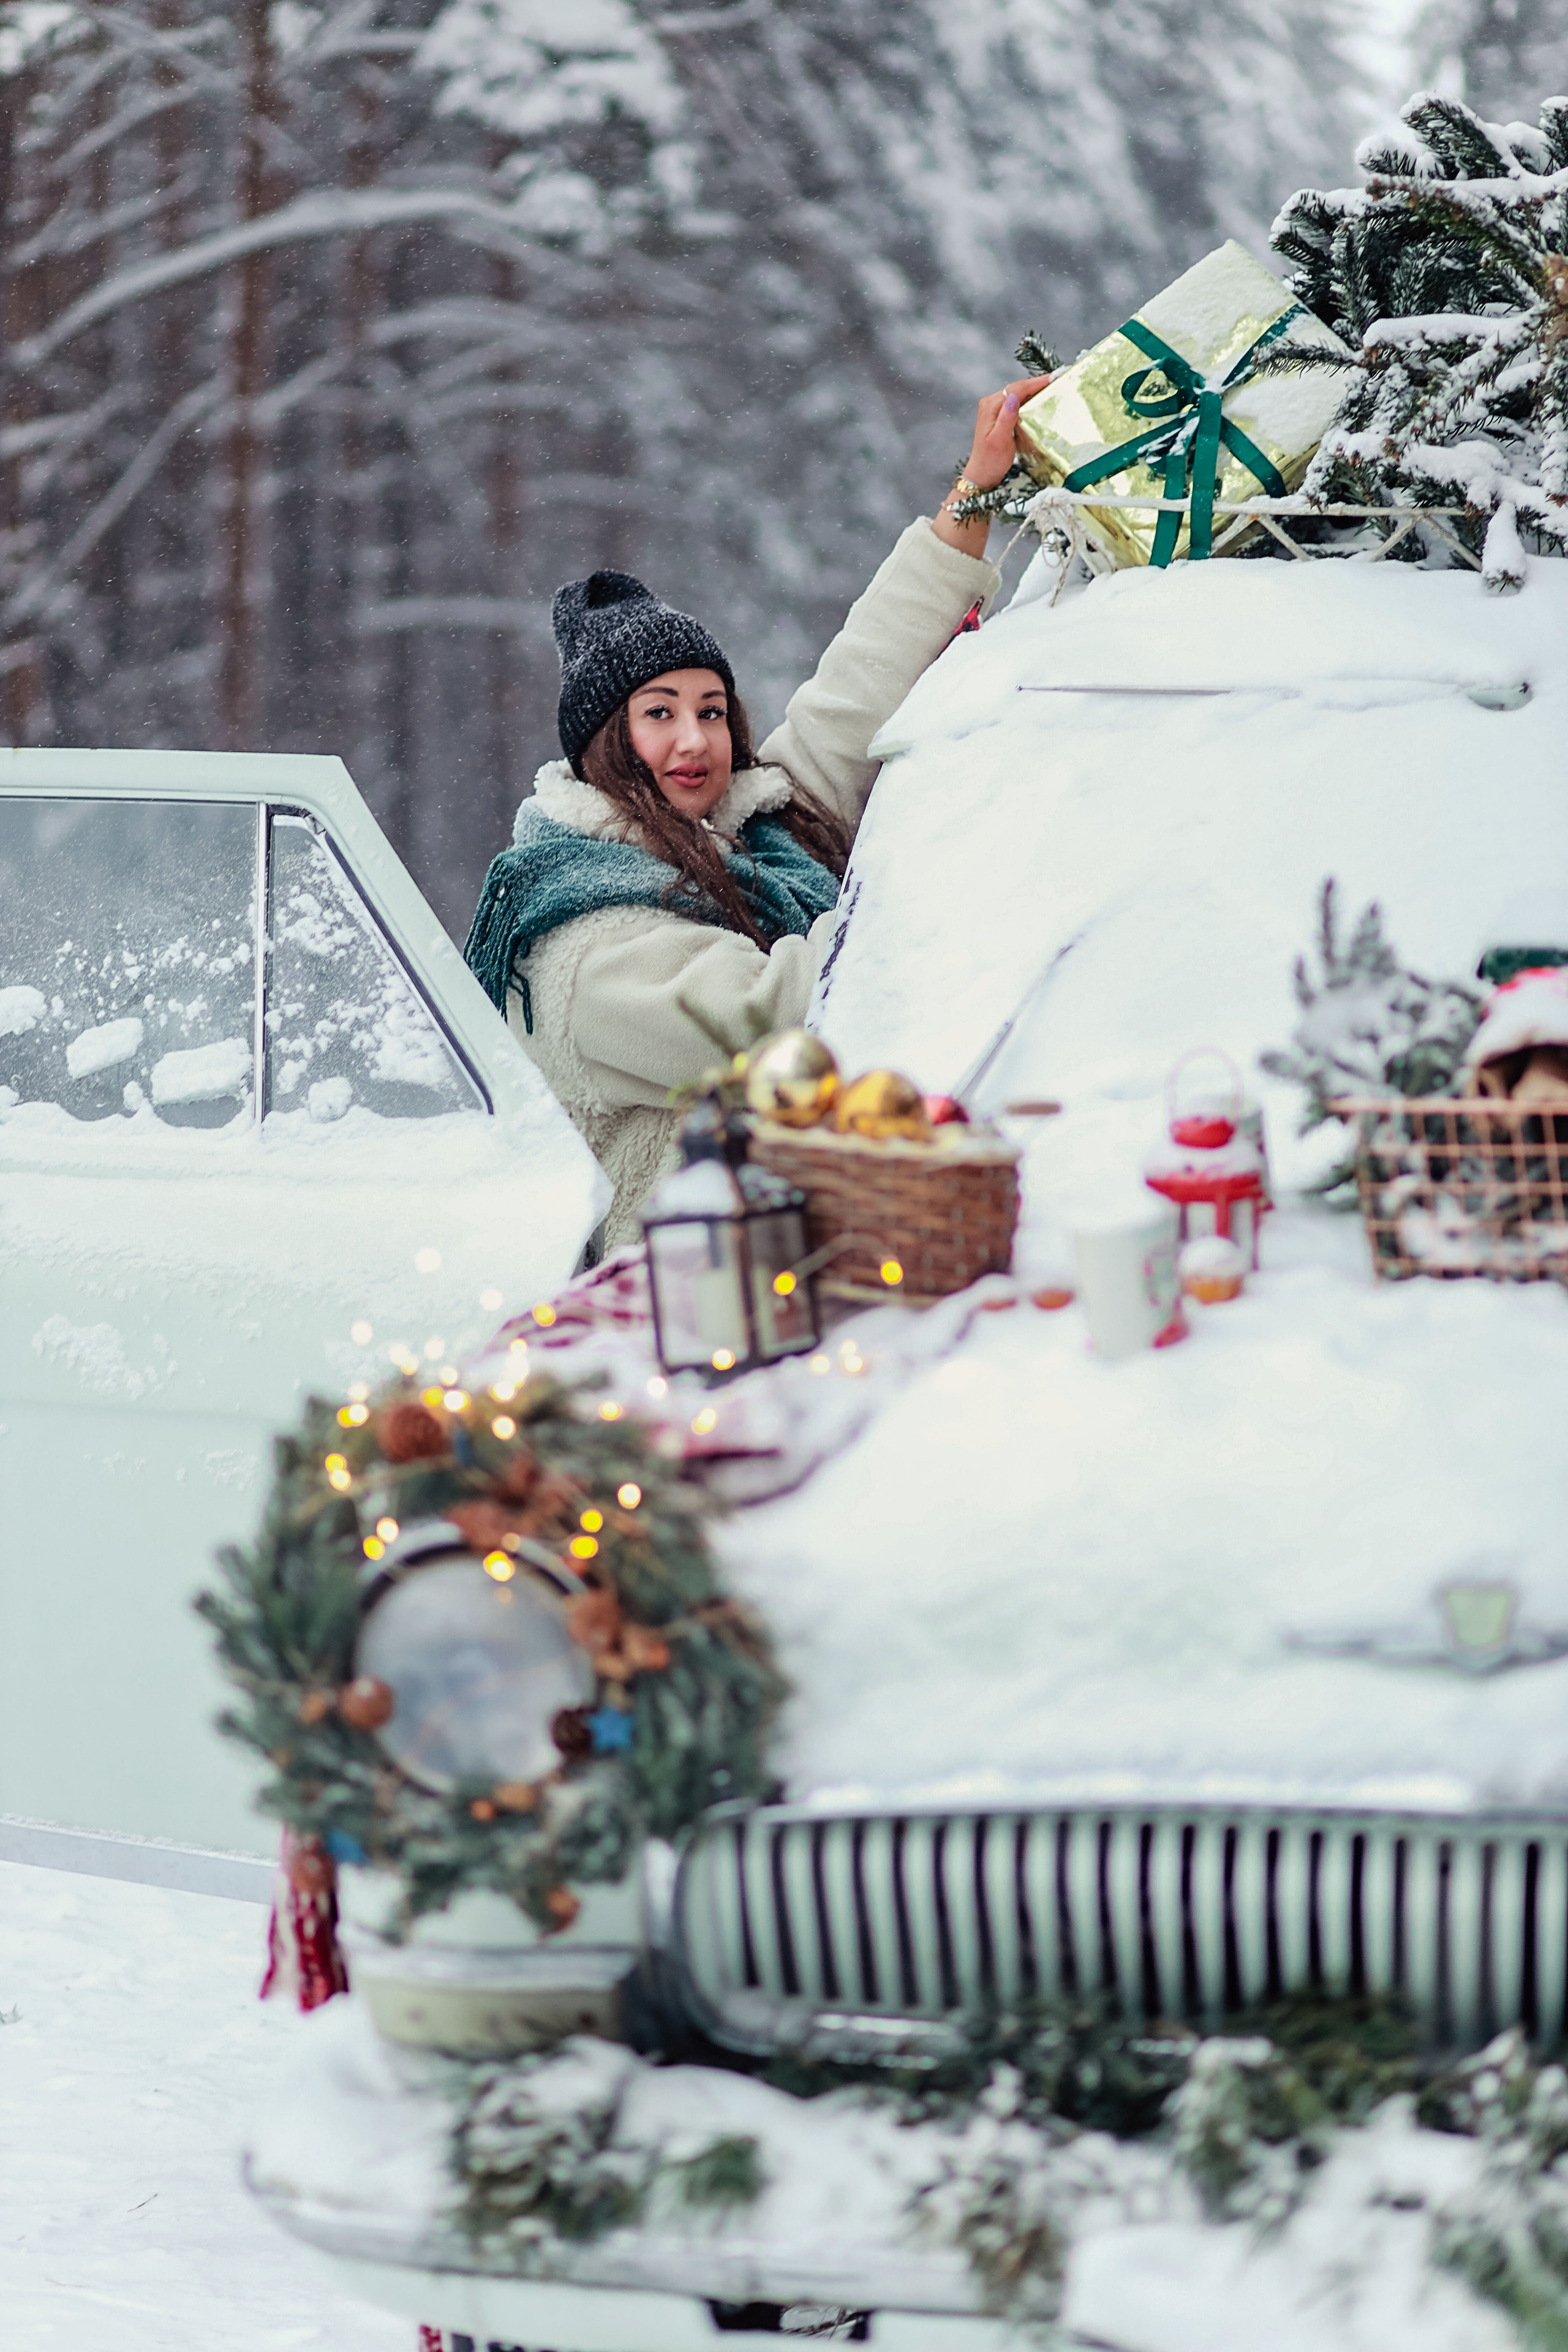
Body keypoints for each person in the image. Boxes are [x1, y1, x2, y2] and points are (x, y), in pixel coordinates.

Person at [464, 374, 1052, 1248]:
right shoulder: (582, 947)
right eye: (658, 715)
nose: (694, 740)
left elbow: (860, 684)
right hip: (680, 1297)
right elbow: (776, 1019)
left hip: (799, 1251)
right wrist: (945, 872)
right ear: (605, 743)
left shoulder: (748, 832)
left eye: (710, 709)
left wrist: (979, 486)